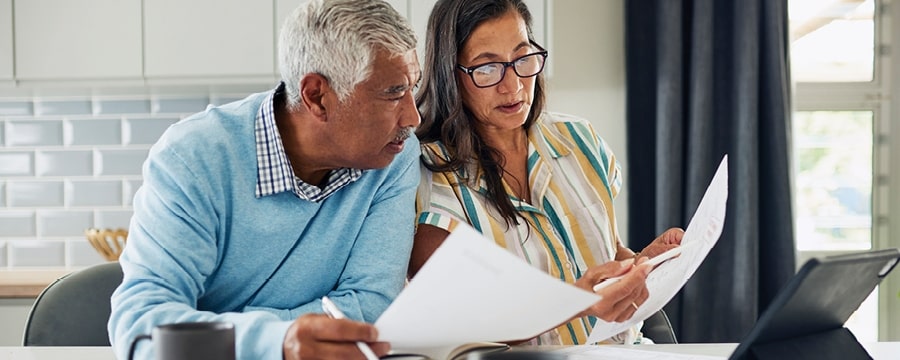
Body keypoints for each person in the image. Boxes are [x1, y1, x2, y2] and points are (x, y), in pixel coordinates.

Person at [108, 0, 421, 359]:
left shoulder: (394, 155)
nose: (412, 117)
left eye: (413, 88)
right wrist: (277, 341)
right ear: (317, 96)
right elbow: (142, 328)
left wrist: (214, 329)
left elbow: (370, 311)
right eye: (394, 93)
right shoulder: (194, 158)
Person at [410, 0, 684, 346]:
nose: (512, 87)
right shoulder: (430, 179)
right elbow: (460, 319)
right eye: (487, 68)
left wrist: (644, 265)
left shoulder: (580, 140)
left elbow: (608, 253)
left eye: (523, 59)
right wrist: (576, 302)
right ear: (450, 75)